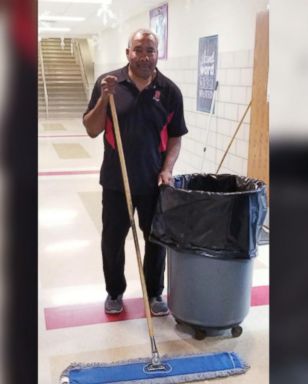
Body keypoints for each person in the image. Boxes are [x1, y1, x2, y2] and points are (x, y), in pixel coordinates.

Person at [83, 28, 188, 316]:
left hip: (154, 181)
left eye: (150, 50)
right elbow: (92, 130)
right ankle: (114, 292)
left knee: (156, 241)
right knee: (113, 241)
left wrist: (167, 169)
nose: (144, 56)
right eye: (138, 49)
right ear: (127, 53)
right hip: (116, 182)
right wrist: (104, 98)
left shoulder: (169, 91)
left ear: (157, 54)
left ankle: (154, 293)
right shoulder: (110, 84)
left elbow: (176, 136)